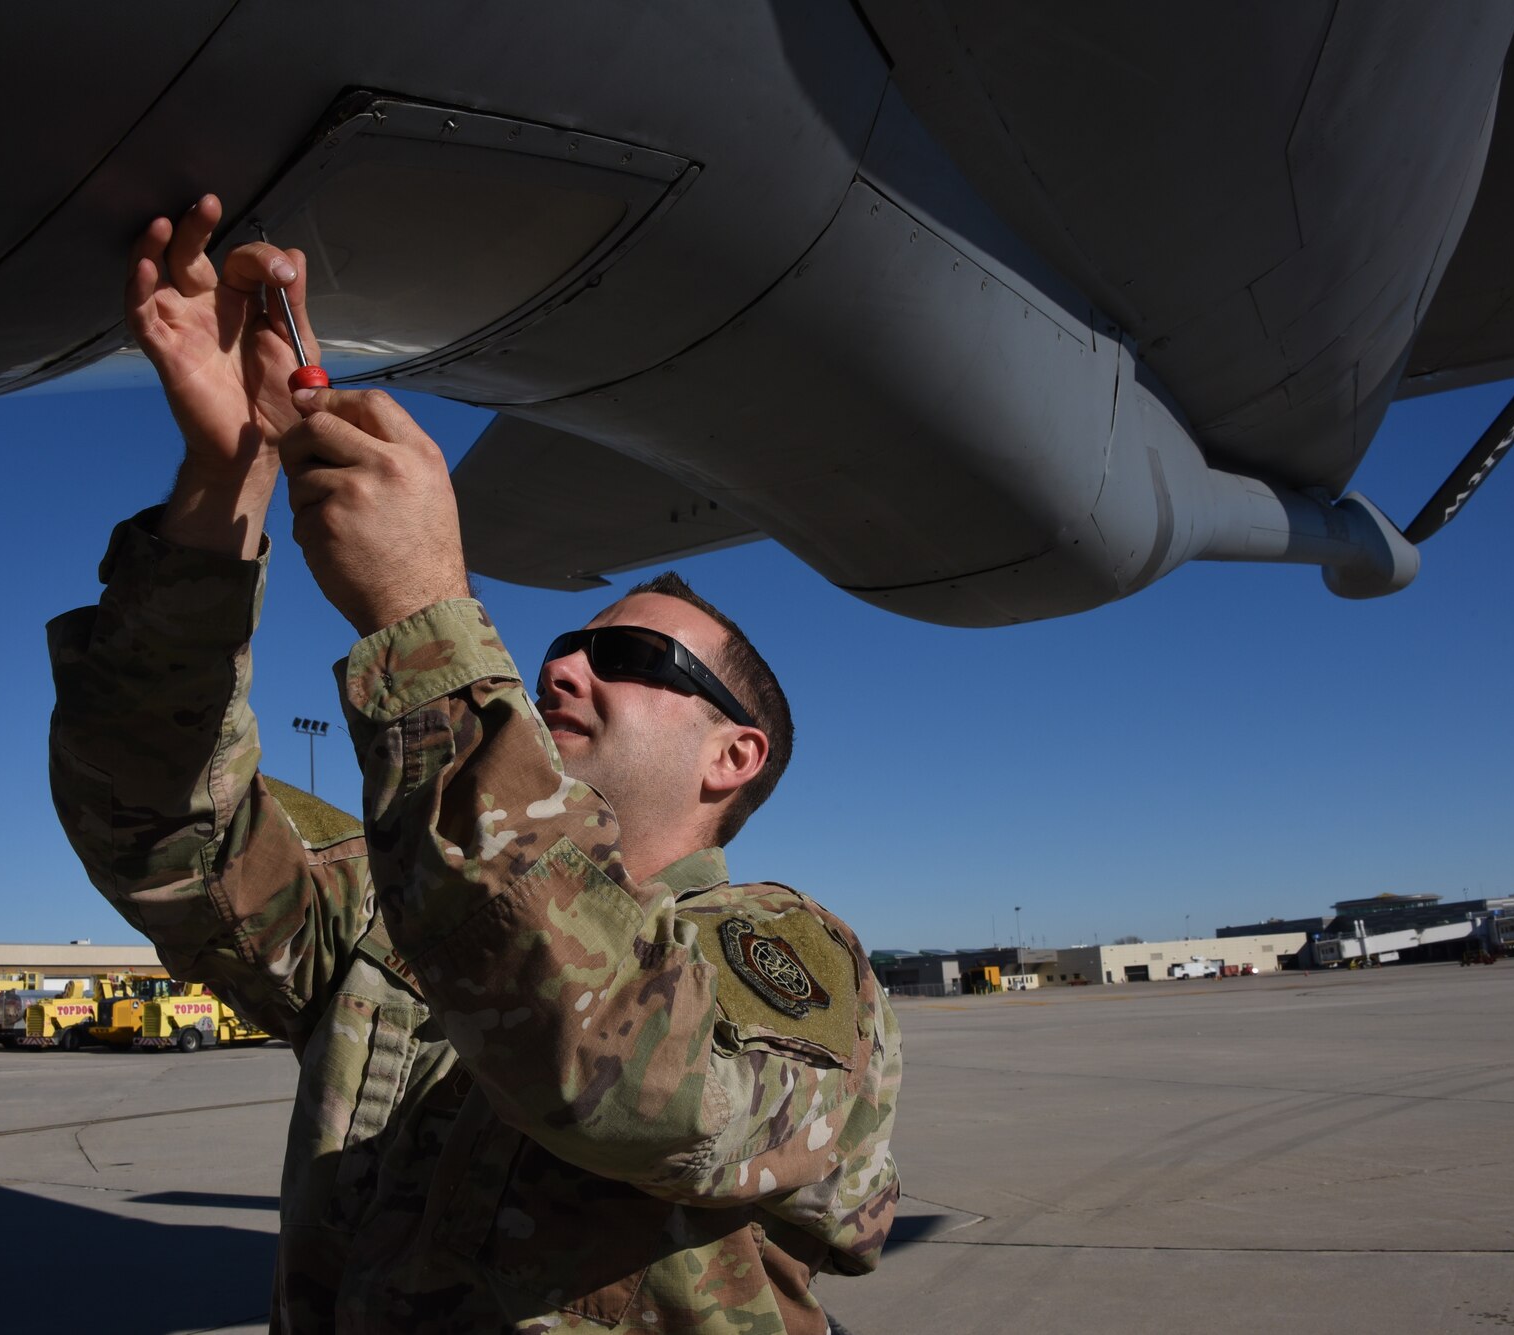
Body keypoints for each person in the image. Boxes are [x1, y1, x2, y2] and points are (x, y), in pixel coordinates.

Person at [47, 194, 901, 1333]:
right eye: (557, 649)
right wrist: (226, 483)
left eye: (629, 657)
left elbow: (634, 1080)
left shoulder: (775, 958)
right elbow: (151, 823)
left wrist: (422, 618)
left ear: (732, 756)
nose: (562, 674)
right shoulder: (391, 917)